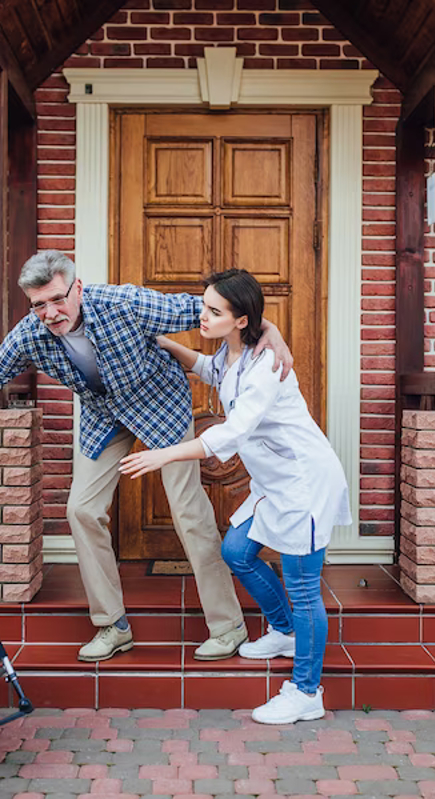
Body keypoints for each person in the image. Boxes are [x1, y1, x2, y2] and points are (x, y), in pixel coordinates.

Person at [0, 250, 295, 663]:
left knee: (187, 509)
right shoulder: (29, 334)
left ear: (77, 288)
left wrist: (268, 328)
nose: (51, 312)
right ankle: (113, 626)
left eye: (58, 299)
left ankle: (227, 626)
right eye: (40, 305)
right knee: (81, 509)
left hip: (160, 405)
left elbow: (214, 311)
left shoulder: (124, 302)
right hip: (104, 416)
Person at [119, 269, 350, 725]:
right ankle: (283, 630)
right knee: (237, 551)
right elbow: (209, 369)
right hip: (273, 485)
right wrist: (165, 342)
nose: (202, 316)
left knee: (304, 590)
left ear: (241, 319)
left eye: (213, 311)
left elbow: (232, 432)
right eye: (204, 306)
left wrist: (161, 455)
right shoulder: (232, 352)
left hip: (304, 486)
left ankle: (306, 691)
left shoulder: (265, 367)